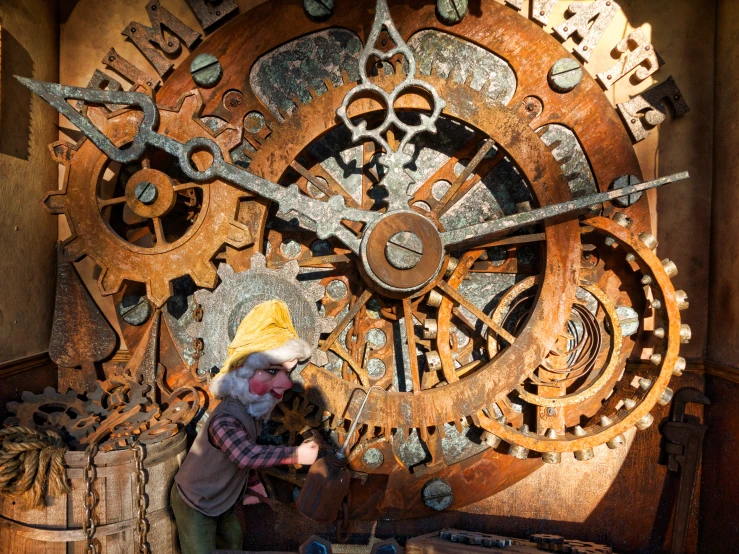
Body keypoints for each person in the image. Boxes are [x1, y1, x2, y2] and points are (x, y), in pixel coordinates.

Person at [171, 299, 320, 554]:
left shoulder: (254, 409)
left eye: (287, 372)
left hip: (223, 501)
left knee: (233, 542)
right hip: (197, 502)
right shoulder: (225, 418)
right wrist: (296, 454)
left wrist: (250, 485)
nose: (285, 384)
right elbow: (245, 455)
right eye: (272, 372)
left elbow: (245, 451)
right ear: (242, 370)